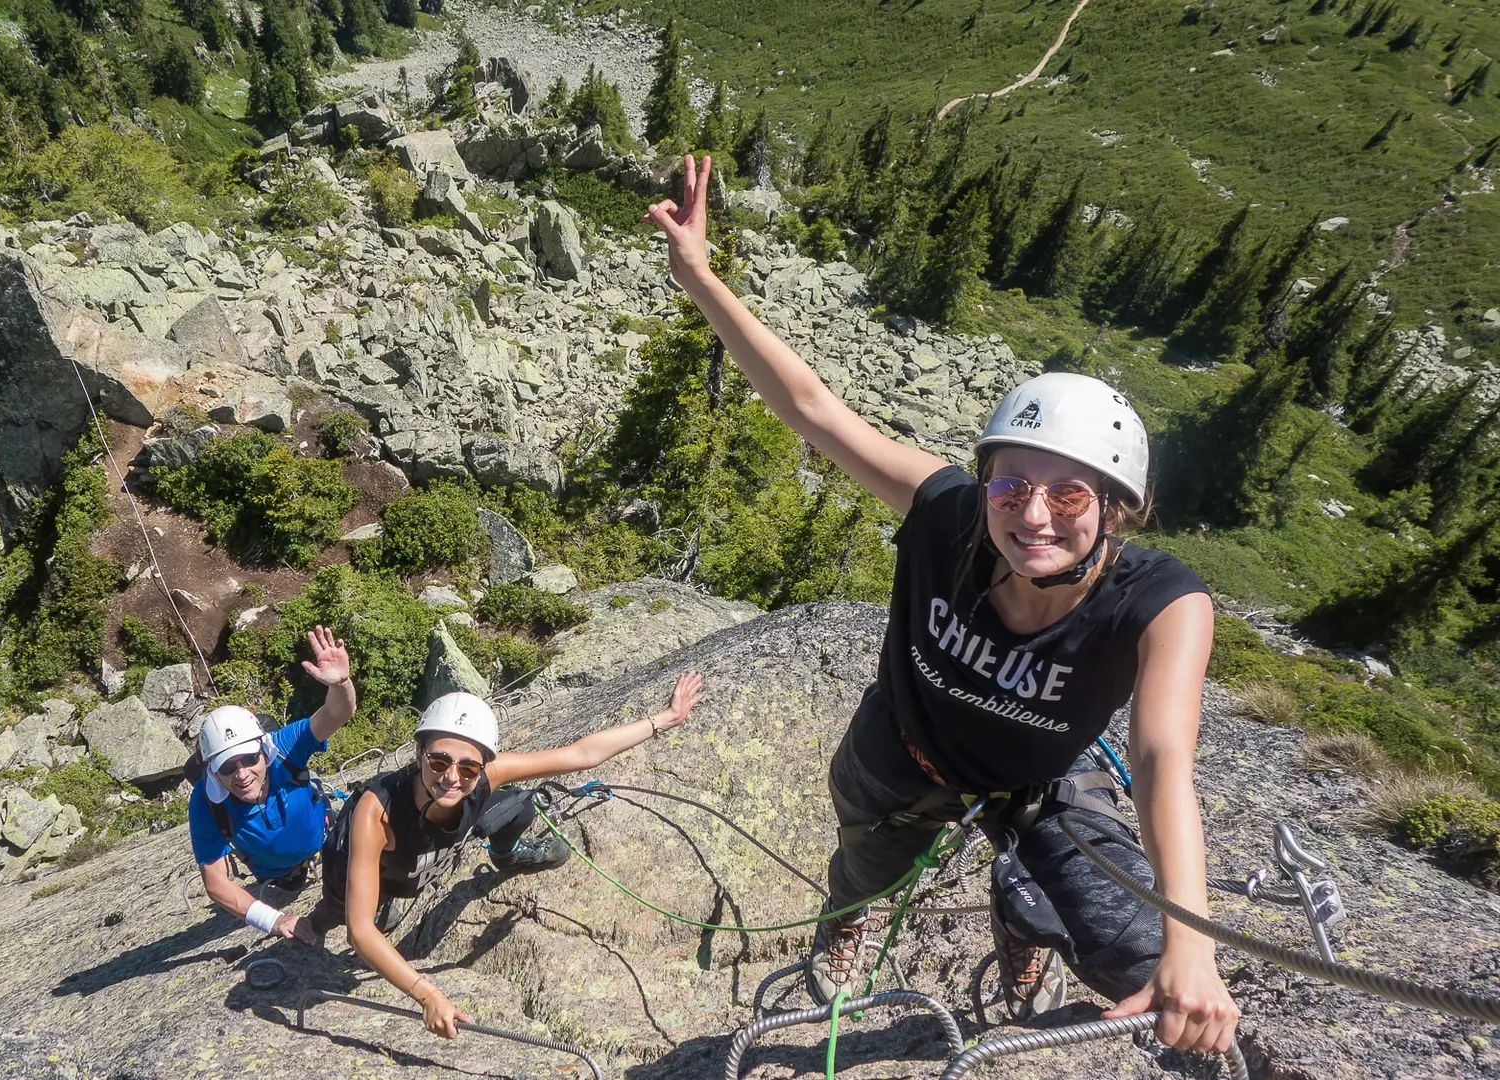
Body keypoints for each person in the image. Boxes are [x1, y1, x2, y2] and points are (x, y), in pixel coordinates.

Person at [644, 155, 1238, 1056]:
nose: (1033, 516)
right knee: (864, 868)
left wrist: (1190, 947)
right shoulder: (950, 514)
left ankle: (1024, 916)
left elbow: (1162, 761)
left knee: (1125, 939)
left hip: (1041, 779)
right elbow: (813, 410)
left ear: (1118, 508)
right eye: (1013, 486)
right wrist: (701, 277)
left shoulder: (1162, 601)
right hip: (906, 750)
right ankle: (848, 922)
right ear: (988, 479)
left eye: (1072, 497)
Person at [313, 675, 706, 1039]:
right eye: (438, 761)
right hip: (379, 867)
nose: (452, 777)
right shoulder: (376, 812)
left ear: (483, 766)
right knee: (343, 908)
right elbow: (360, 931)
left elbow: (582, 753)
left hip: (419, 859)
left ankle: (508, 853)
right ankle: (317, 921)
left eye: (468, 767)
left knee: (519, 806)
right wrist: (426, 993)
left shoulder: (488, 777)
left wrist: (665, 719)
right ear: (419, 755)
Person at [189, 625, 355, 945]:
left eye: (249, 759)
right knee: (287, 885)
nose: (241, 773)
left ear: (264, 751)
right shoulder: (205, 801)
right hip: (274, 870)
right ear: (212, 771)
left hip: (325, 836)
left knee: (348, 861)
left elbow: (337, 712)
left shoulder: (285, 746)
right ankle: (292, 877)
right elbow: (215, 882)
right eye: (227, 766)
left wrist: (341, 683)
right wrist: (274, 919)